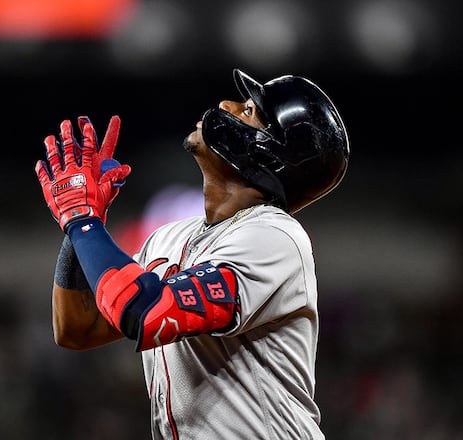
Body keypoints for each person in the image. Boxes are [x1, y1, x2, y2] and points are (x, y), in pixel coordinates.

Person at [34, 69, 349, 439]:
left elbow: (144, 312)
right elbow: (77, 328)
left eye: (248, 111)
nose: (226, 105)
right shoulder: (170, 237)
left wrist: (83, 221)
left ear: (266, 151)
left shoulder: (274, 237)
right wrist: (84, 224)